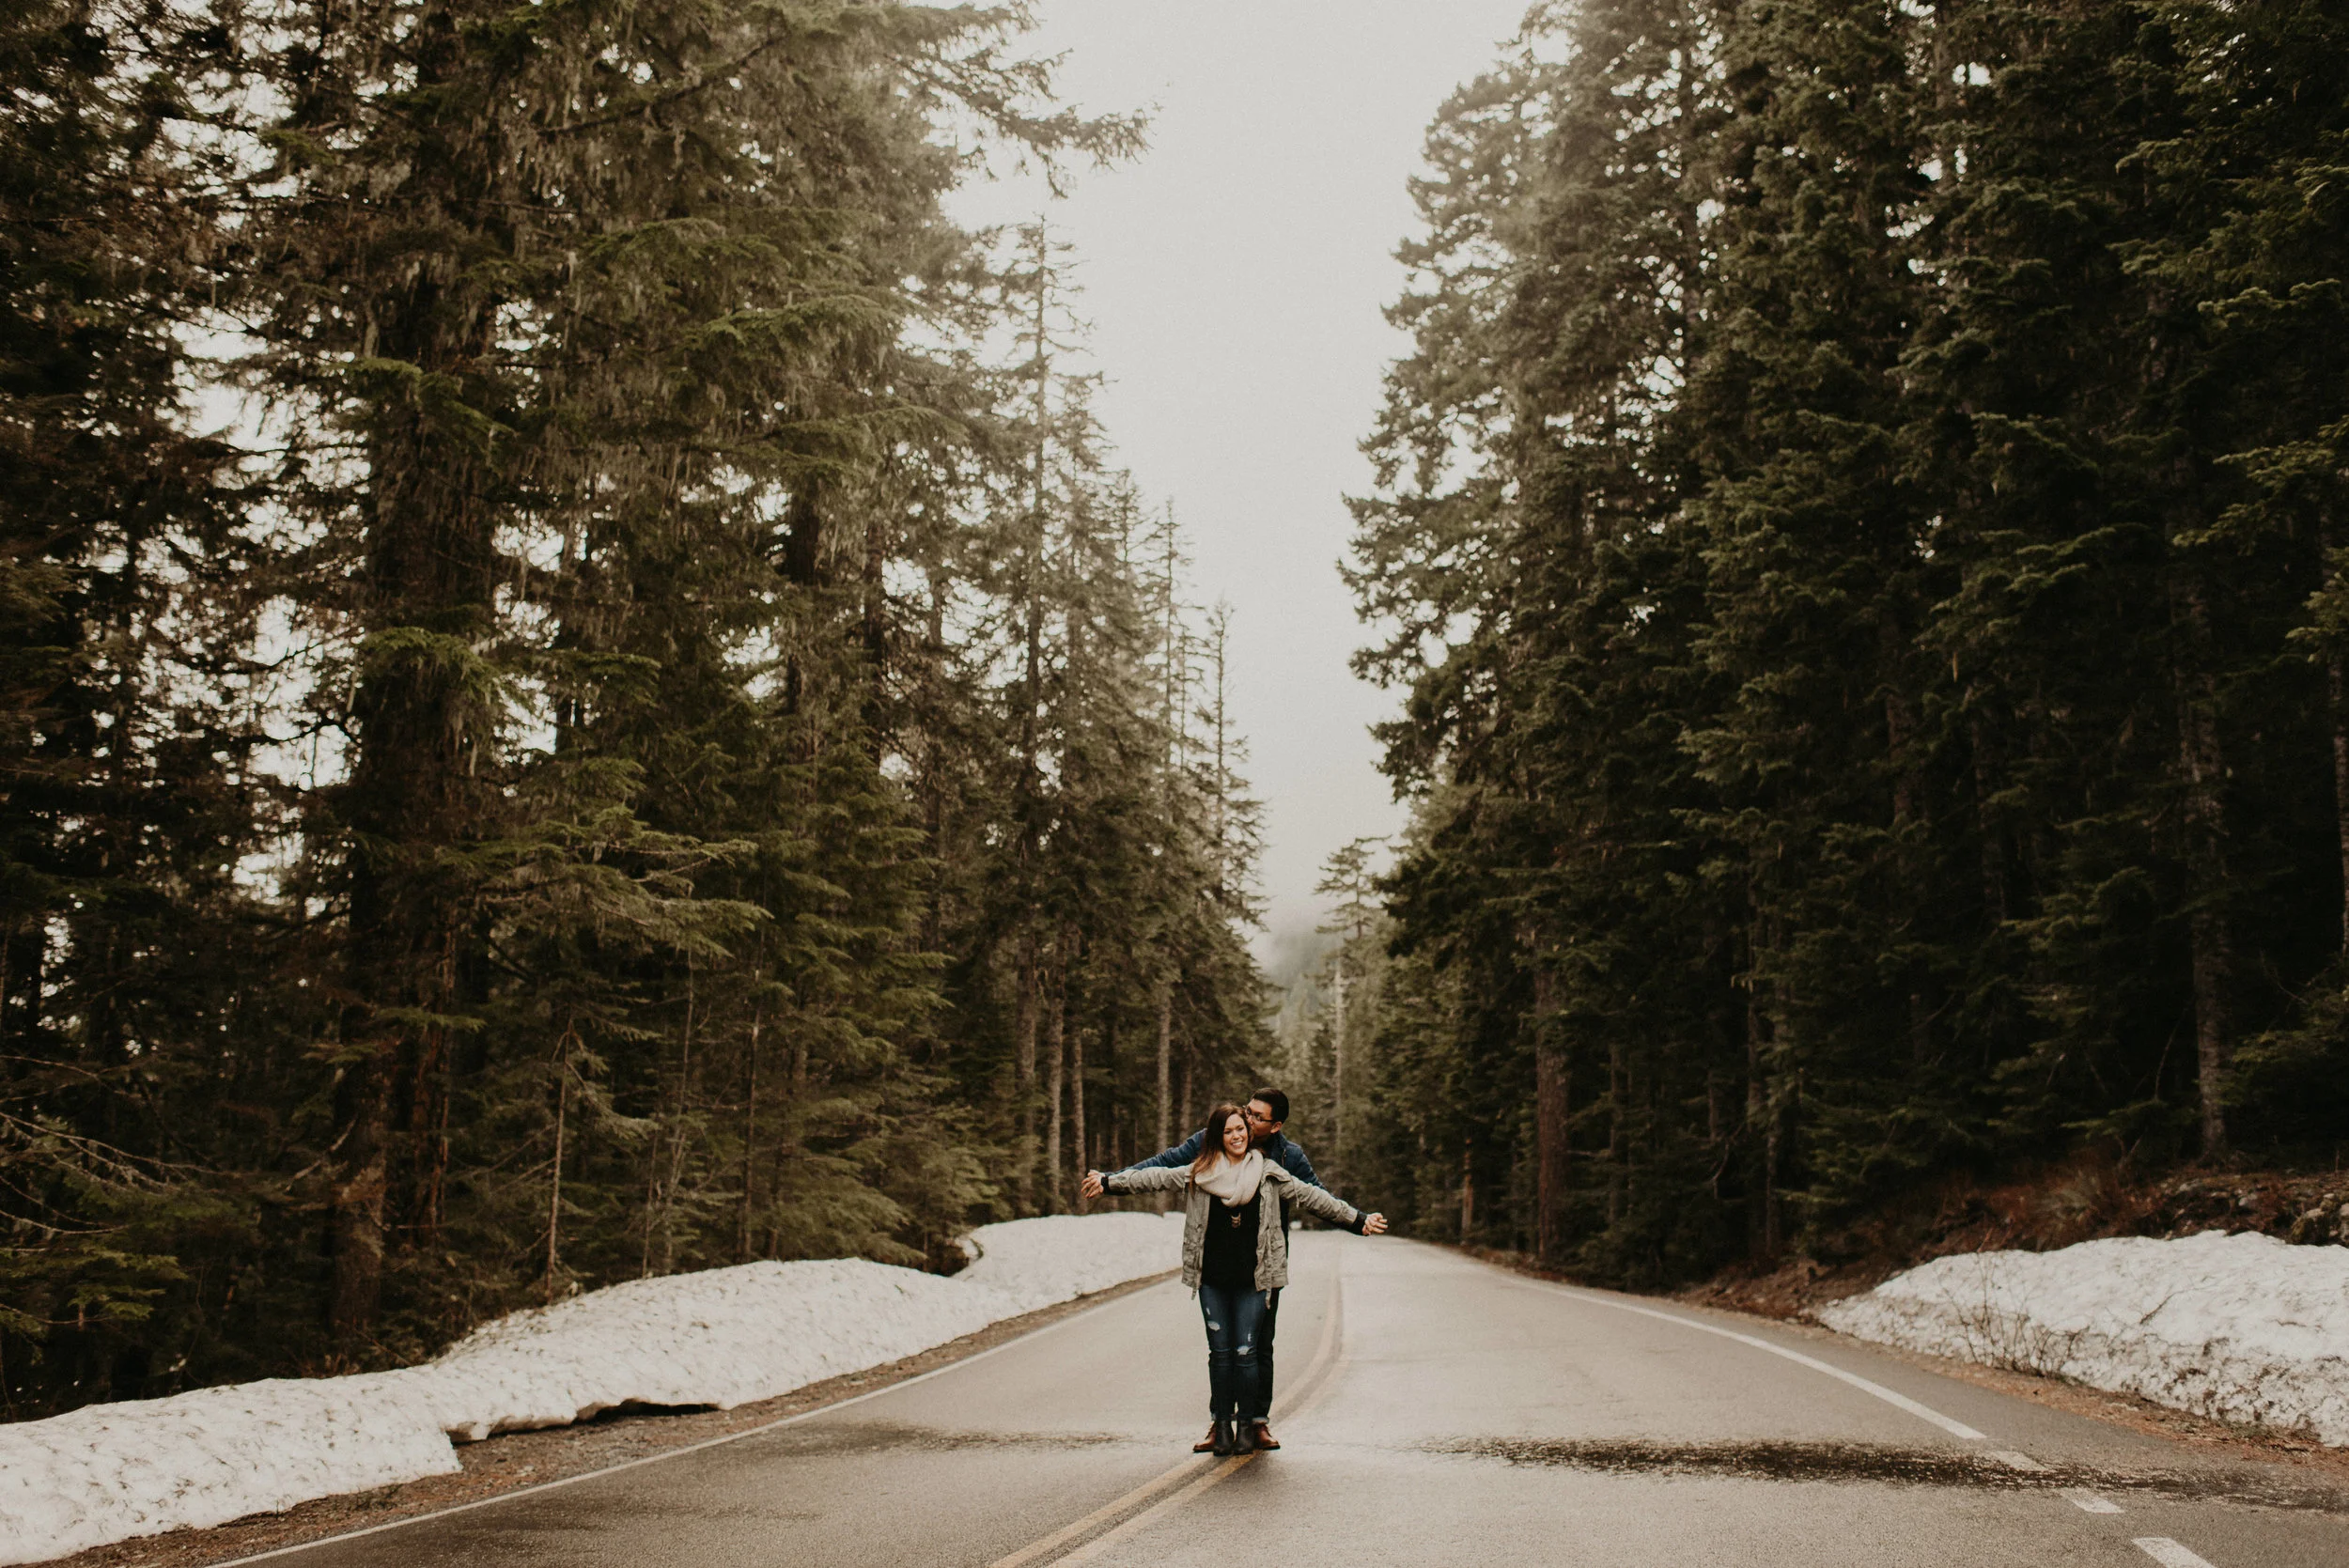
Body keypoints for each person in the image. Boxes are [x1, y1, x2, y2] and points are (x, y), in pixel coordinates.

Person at [1089, 1102, 1386, 1457]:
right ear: (1218, 1137)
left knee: (1246, 1353)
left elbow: (1314, 1197)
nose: (1237, 1136)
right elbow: (1153, 1176)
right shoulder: (1200, 1172)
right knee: (1220, 1354)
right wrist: (1108, 1182)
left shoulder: (1270, 1172)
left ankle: (1248, 1427)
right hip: (1212, 1278)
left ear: (1250, 1134)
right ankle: (1222, 1428)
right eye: (1229, 1131)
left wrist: (1357, 1220)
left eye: (1241, 1130)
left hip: (1254, 1279)